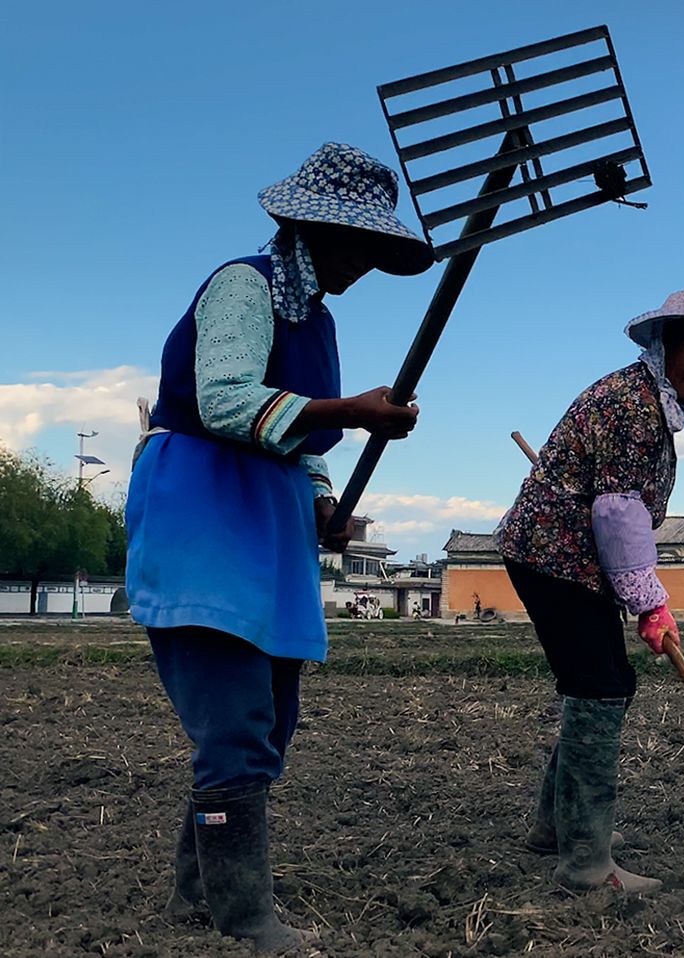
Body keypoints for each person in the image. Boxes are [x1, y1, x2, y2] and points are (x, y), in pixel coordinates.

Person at [126, 143, 432, 951]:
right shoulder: (243, 285)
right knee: (232, 719)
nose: (362, 262)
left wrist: (327, 504)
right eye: (353, 242)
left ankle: (204, 891)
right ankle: (242, 914)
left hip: (268, 523)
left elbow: (305, 442)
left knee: (267, 718)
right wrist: (352, 411)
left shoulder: (316, 320)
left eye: (373, 248)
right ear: (303, 227)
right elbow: (225, 400)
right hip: (205, 511)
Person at [495, 287, 684, 892]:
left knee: (601, 686)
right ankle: (586, 864)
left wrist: (640, 593)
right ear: (667, 343)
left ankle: (559, 826)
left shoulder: (646, 401)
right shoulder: (635, 406)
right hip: (556, 558)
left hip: (573, 559)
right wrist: (651, 603)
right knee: (600, 687)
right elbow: (620, 514)